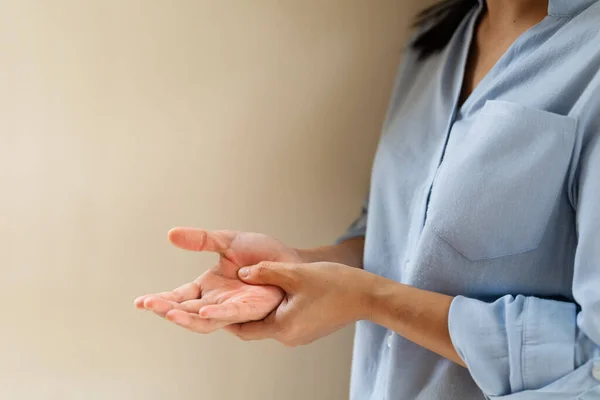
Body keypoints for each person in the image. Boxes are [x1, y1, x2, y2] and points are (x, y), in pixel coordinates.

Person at [134, 0, 600, 398]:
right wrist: (296, 268)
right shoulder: (435, 46)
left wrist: (370, 299)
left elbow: (592, 360)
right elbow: (401, 238)